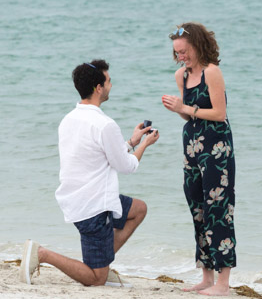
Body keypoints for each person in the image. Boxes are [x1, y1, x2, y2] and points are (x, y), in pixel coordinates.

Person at [21, 59, 159, 287]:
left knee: (139, 209)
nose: (111, 85)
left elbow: (99, 155)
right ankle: (42, 253)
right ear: (98, 88)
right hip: (94, 206)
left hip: (77, 198)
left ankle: (102, 259)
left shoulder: (69, 119)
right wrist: (145, 144)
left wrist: (132, 141)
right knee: (97, 280)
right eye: (109, 81)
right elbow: (127, 166)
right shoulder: (105, 124)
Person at [161, 23, 237, 296]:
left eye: (184, 51)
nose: (181, 57)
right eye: (177, 53)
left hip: (216, 146)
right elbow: (189, 114)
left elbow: (219, 113)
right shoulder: (180, 75)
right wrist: (177, 109)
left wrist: (185, 107)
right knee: (198, 209)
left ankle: (223, 283)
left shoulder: (212, 72)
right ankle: (206, 277)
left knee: (219, 210)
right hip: (191, 146)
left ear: (197, 46)